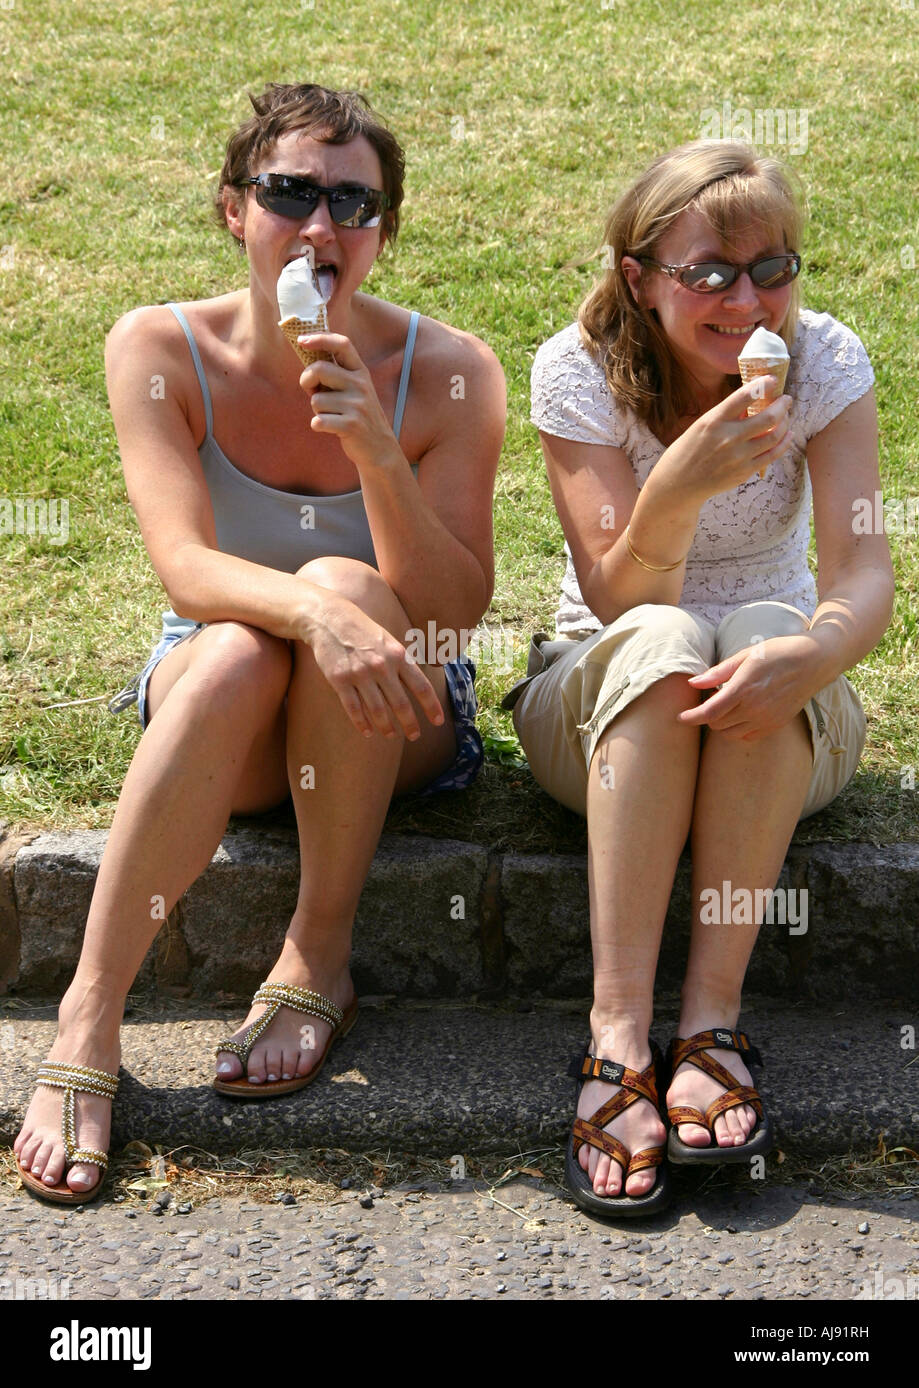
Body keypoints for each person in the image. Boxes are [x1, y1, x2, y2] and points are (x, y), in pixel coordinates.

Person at [14, 82, 505, 1203]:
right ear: (233, 208)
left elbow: (453, 610)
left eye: (354, 203)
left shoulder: (452, 370)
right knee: (245, 641)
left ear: (383, 231)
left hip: (398, 704)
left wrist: (379, 454)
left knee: (343, 576)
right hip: (223, 691)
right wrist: (313, 615)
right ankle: (90, 1013)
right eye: (290, 193)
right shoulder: (158, 345)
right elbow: (184, 568)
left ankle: (316, 949)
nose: (322, 227)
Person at [504, 140, 893, 1218]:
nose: (747, 299)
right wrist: (673, 489)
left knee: (766, 623)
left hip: (777, 716)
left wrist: (811, 653)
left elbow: (863, 577)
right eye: (708, 272)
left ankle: (711, 1019)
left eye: (774, 267)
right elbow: (620, 599)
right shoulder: (576, 368)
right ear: (637, 276)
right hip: (600, 710)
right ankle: (617, 1032)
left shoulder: (822, 361)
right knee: (669, 634)